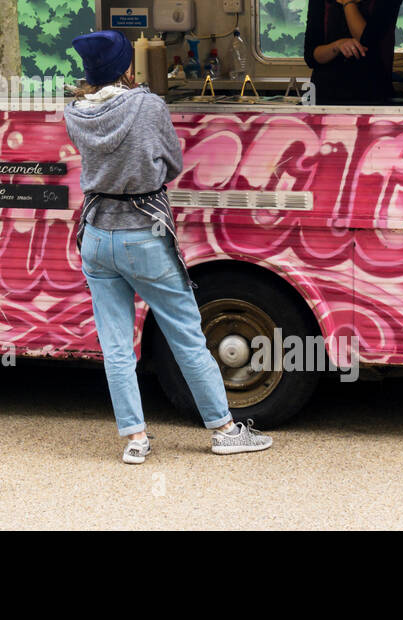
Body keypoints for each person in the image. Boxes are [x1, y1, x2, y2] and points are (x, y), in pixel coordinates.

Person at [63, 30, 273, 464]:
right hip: (144, 234)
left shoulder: (74, 113)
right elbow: (172, 164)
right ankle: (223, 429)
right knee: (186, 334)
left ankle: (135, 438)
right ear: (125, 67)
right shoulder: (148, 105)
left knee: (116, 344)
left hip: (97, 234)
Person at [302, 0, 403, 105]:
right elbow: (311, 57)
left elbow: (367, 40)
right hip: (325, 97)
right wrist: (338, 46)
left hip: (372, 94)